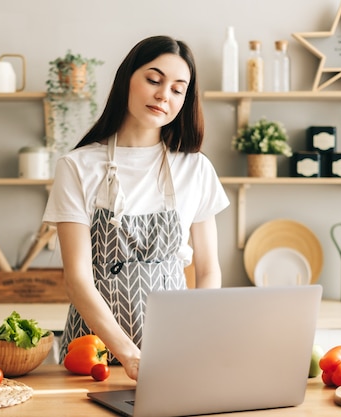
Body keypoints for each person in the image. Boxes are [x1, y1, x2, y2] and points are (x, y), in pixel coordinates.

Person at [42, 35, 229, 381]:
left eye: (177, 89)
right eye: (154, 80)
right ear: (127, 78)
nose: (163, 95)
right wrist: (128, 354)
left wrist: (194, 334)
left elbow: (208, 270)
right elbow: (77, 279)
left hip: (172, 352)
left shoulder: (196, 168)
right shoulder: (77, 167)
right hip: (92, 356)